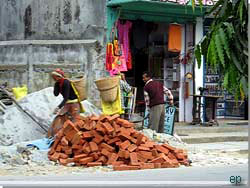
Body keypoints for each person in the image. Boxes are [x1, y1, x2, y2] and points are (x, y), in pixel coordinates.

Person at [48, 69, 80, 137]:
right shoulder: (58, 83)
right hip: (67, 103)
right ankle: (55, 136)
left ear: (59, 76)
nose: (54, 78)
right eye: (53, 77)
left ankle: (75, 137)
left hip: (74, 103)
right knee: (59, 117)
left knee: (74, 121)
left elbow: (66, 97)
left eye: (55, 77)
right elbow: (56, 94)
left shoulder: (66, 82)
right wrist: (56, 85)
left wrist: (58, 107)